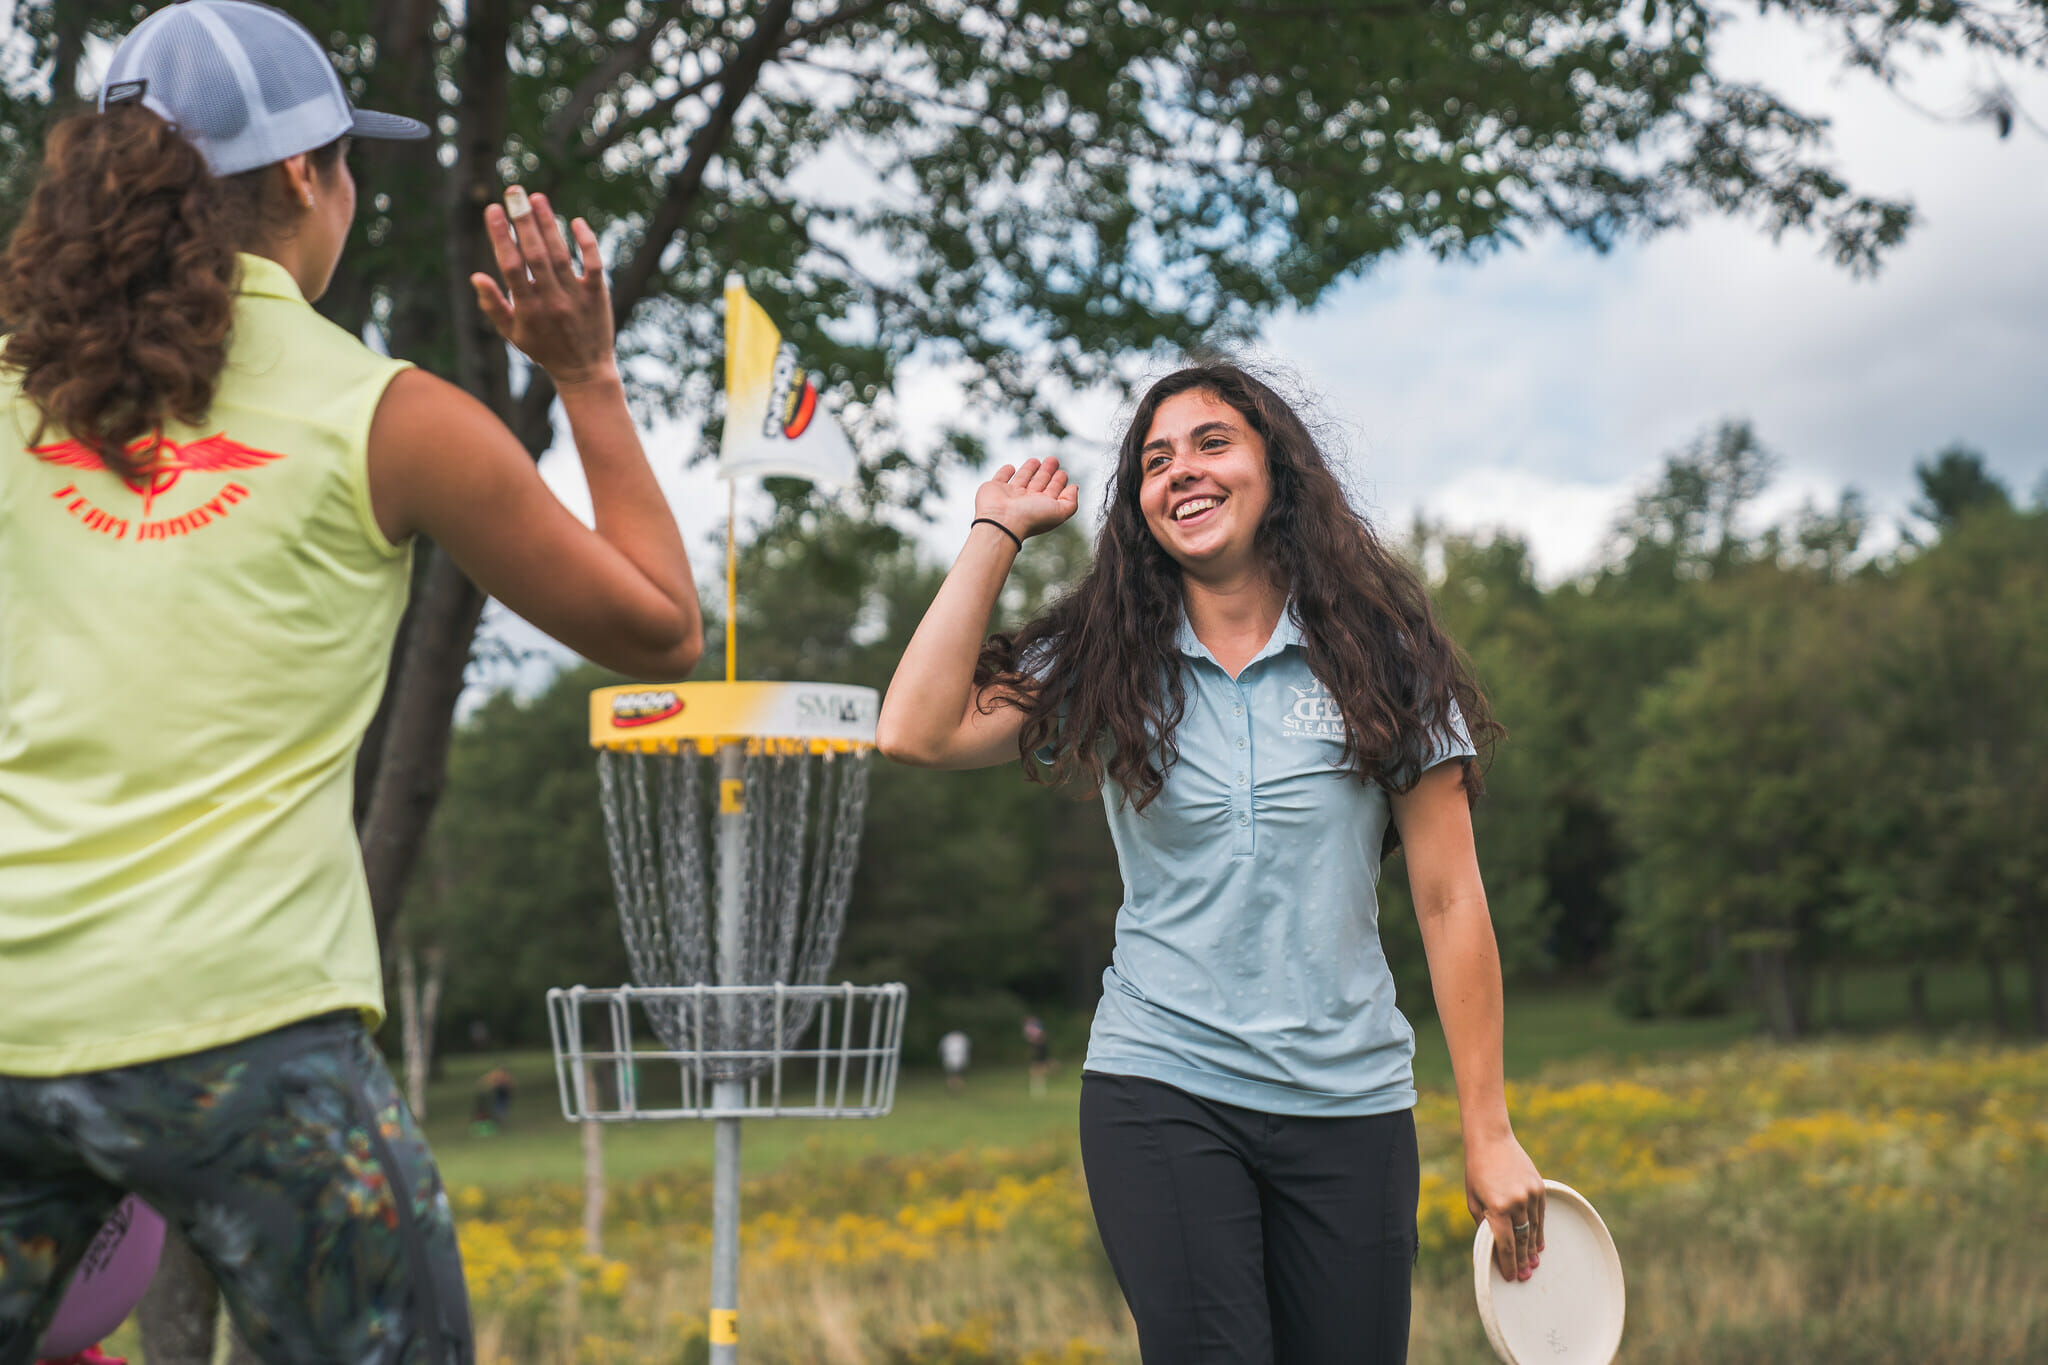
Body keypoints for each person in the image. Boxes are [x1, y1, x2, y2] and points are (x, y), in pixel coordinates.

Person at [0, 4, 702, 1363]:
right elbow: (662, 627)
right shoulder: (389, 413)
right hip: (245, 1041)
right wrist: (587, 375)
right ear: (307, 179)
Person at [876, 362, 1544, 1363]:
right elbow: (912, 730)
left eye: (1209, 443)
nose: (1179, 470)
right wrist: (996, 532)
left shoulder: (1383, 657)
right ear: (1138, 506)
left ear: (1273, 468)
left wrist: (1487, 1131)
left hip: (1347, 1104)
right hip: (1162, 1085)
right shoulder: (1107, 657)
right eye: (1153, 460)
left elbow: (1449, 900)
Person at [1022, 1014, 1051, 1098]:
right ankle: (1037, 1089)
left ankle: (1038, 1089)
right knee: (1038, 1070)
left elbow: (1035, 1038)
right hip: (1038, 1050)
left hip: (1039, 1051)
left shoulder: (1034, 1028)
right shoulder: (1032, 1027)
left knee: (1038, 1070)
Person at [938, 1030, 972, 1094]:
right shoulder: (961, 1037)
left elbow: (941, 1049)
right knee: (957, 1075)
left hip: (950, 1060)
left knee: (952, 1075)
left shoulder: (947, 1038)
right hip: (959, 1059)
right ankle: (957, 1087)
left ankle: (954, 1088)